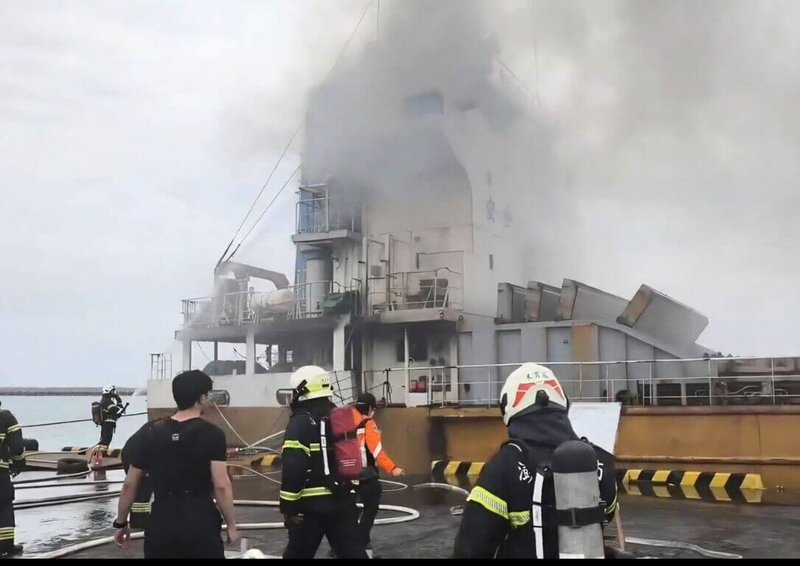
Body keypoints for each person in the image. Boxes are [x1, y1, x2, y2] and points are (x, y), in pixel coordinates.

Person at [453, 363, 619, 559]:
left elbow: (472, 545)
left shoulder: (505, 465)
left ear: (509, 407)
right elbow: (607, 513)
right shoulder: (596, 459)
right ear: (562, 400)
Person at [113, 370, 239, 558]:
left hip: (162, 520)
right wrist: (231, 525)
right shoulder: (213, 434)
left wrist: (121, 523)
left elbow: (130, 484)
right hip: (200, 520)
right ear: (202, 398)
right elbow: (221, 485)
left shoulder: (149, 432)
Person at [280, 365, 367, 559]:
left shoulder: (300, 422)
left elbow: (294, 469)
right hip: (343, 500)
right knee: (353, 553)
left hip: (310, 507)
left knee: (297, 554)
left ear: (302, 390)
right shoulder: (339, 417)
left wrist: (288, 507)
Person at [352, 392, 405, 558]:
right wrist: (393, 468)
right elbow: (377, 451)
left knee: (348, 513)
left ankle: (348, 547)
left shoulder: (343, 423)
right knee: (370, 510)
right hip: (366, 476)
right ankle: (357, 546)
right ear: (369, 408)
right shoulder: (368, 423)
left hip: (346, 477)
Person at [0, 400, 25, 558]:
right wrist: (18, 464)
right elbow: (17, 447)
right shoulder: (7, 418)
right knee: (3, 506)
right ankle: (6, 546)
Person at [96, 385, 125, 464]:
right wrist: (119, 401)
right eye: (113, 391)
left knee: (105, 440)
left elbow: (114, 415)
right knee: (105, 441)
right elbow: (115, 410)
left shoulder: (105, 400)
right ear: (109, 392)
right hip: (107, 425)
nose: (114, 393)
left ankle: (101, 458)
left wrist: (120, 413)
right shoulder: (107, 401)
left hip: (108, 424)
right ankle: (99, 459)